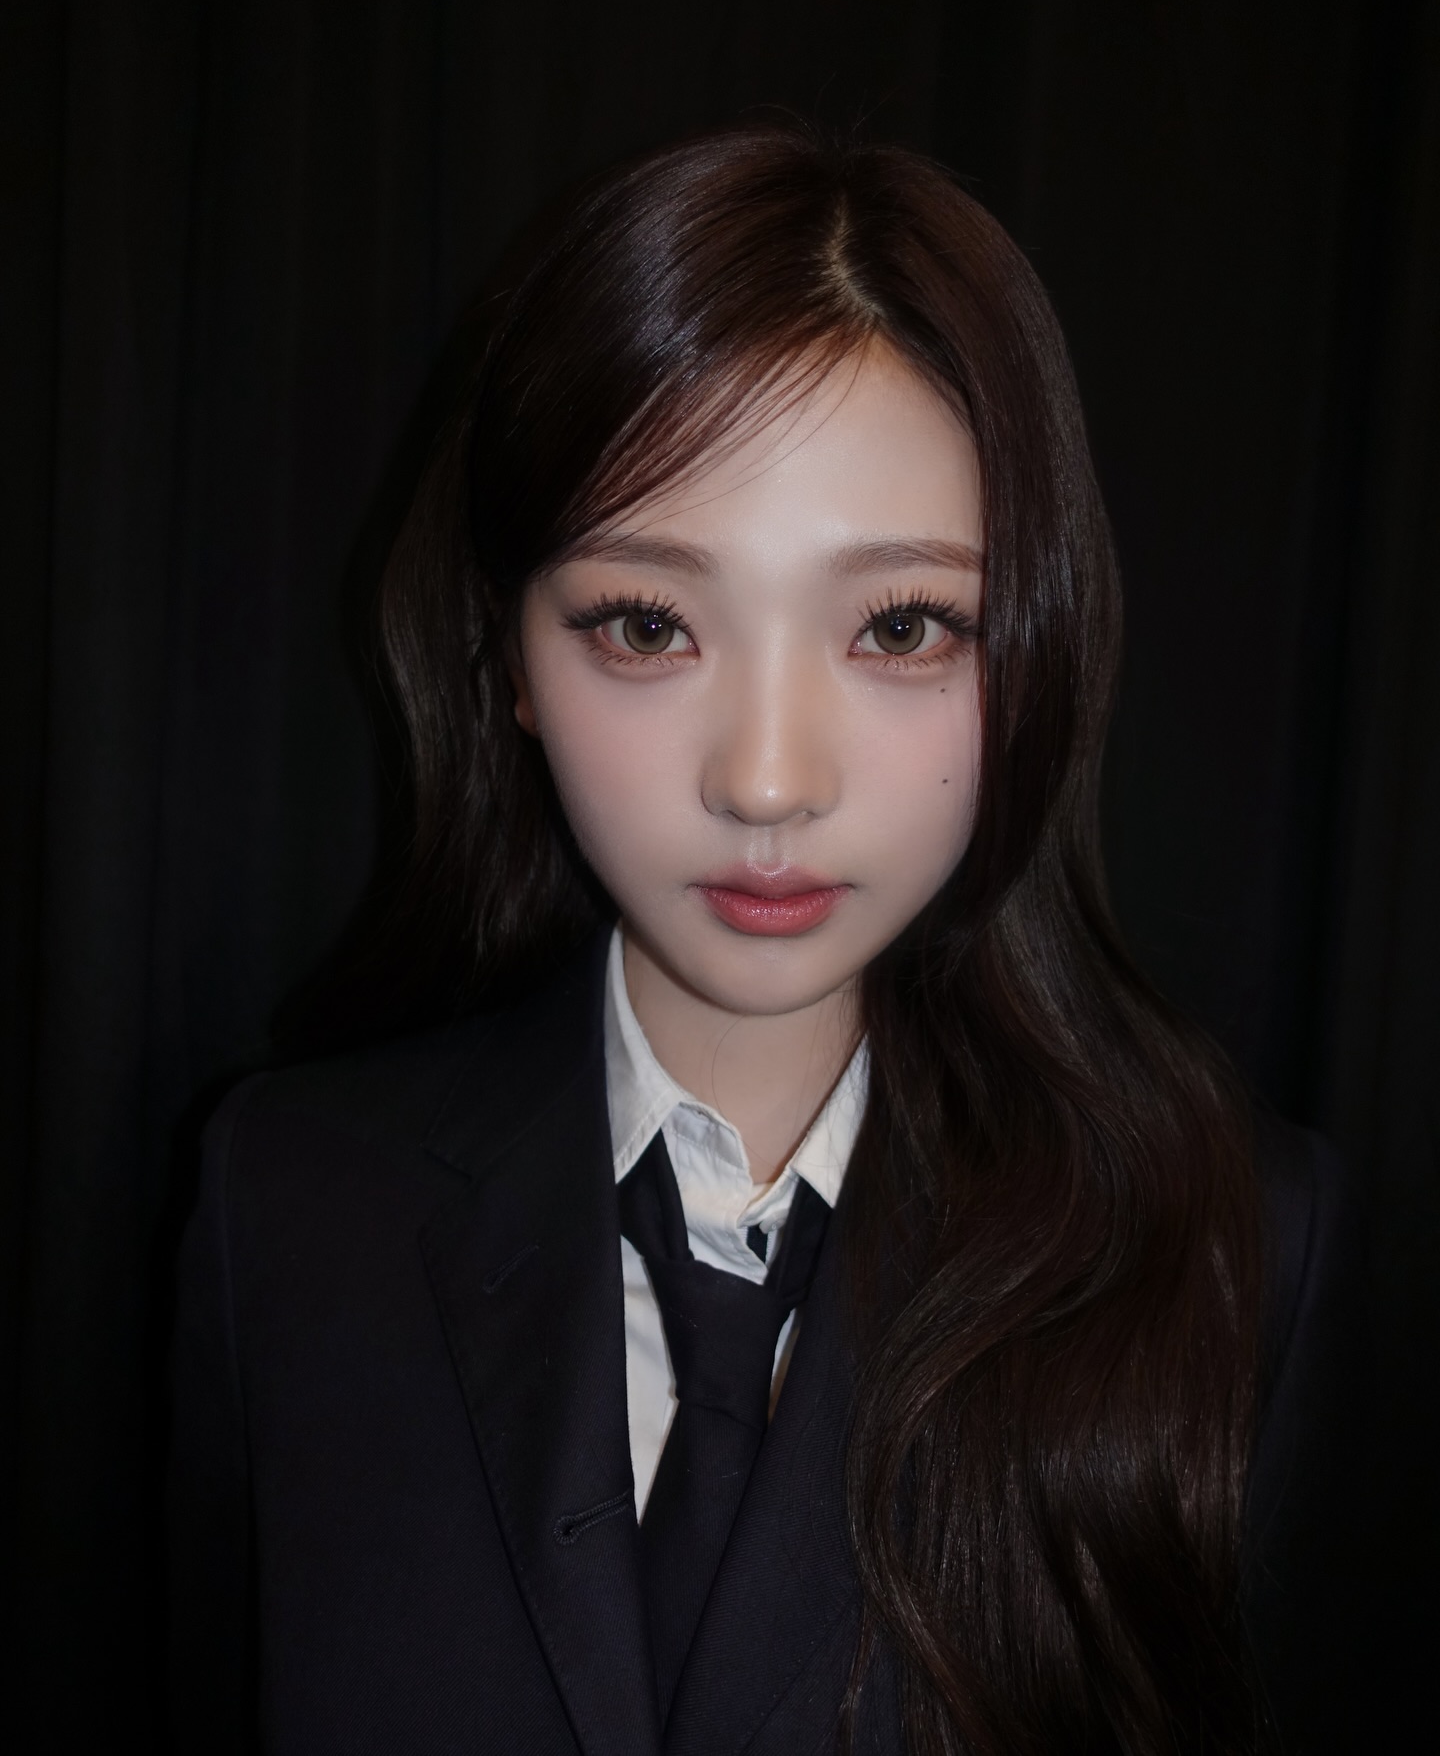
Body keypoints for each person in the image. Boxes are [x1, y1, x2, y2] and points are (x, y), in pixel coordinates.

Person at [167, 122, 1369, 1755]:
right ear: (509, 661)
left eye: (901, 626)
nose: (769, 780)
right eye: (648, 624)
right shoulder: (291, 1212)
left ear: (1036, 644)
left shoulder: (1234, 1259)